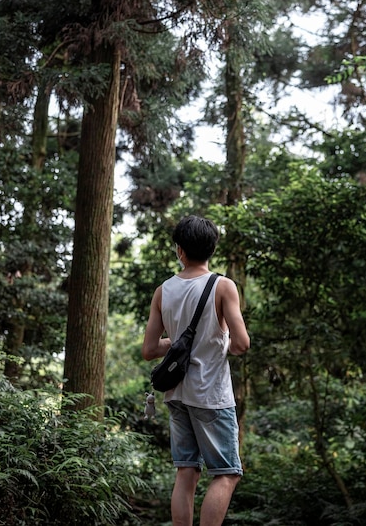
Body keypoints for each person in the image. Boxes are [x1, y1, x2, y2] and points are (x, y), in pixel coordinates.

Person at [142, 215, 250, 526]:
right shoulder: (223, 286)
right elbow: (241, 344)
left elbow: (150, 350)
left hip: (176, 394)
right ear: (212, 249)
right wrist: (216, 341)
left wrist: (177, 342)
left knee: (186, 470)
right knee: (227, 473)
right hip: (211, 395)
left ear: (180, 250)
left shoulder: (163, 291)